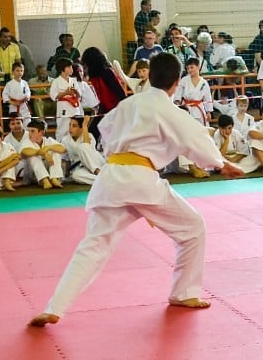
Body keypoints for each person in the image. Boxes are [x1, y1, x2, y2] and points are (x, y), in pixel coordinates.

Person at [28, 53, 244, 328]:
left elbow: (105, 129)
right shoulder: (168, 110)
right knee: (193, 228)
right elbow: (194, 137)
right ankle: (184, 292)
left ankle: (54, 307)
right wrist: (219, 163)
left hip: (111, 177)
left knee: (92, 247)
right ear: (176, 83)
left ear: (150, 76)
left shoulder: (128, 104)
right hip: (141, 180)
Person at [62, 114, 106, 185]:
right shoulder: (65, 140)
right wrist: (65, 173)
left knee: (83, 147)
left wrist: (85, 125)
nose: (70, 128)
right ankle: (103, 180)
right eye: (70, 125)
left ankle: (97, 171)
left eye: (74, 126)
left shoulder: (89, 135)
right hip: (82, 167)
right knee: (76, 175)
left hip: (97, 164)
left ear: (81, 128)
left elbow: (87, 147)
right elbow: (65, 159)